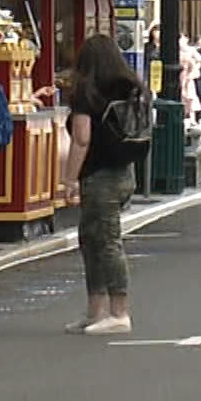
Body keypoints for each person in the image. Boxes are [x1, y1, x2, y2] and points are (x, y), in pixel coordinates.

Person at [57, 36, 148, 335]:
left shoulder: (87, 93)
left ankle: (117, 312)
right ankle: (96, 312)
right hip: (125, 170)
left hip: (98, 174)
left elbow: (82, 138)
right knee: (95, 238)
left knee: (104, 242)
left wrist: (70, 179)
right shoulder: (132, 88)